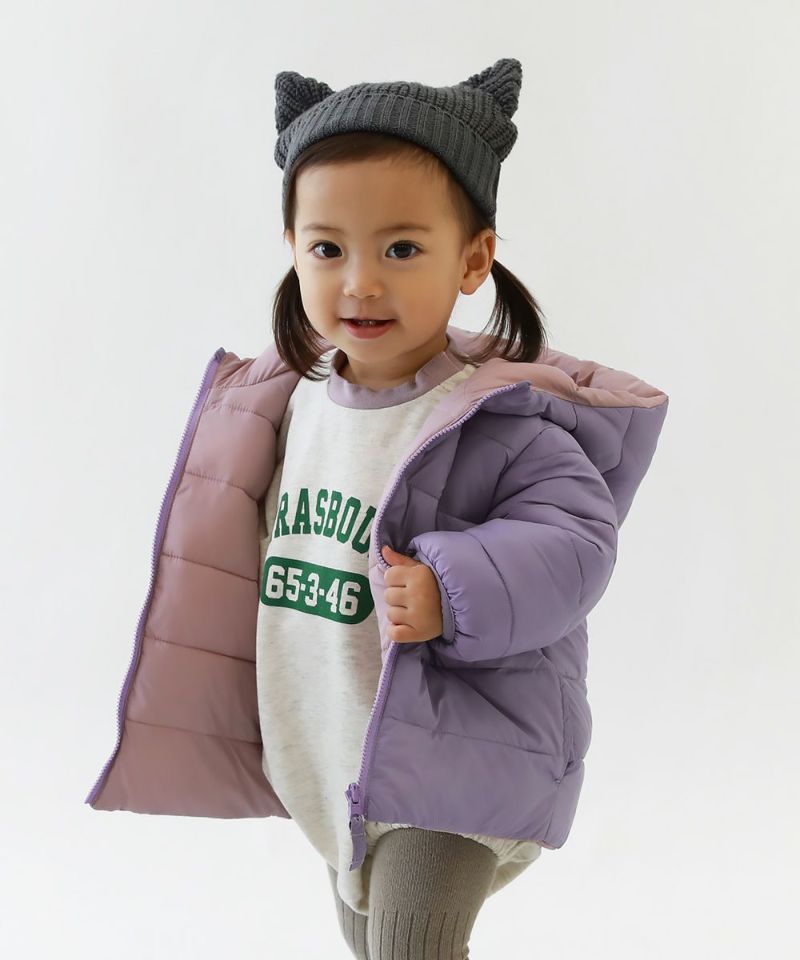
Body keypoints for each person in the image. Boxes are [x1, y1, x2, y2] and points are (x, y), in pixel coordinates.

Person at [84, 58, 669, 960]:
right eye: (329, 249)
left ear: (473, 259)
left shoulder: (498, 415)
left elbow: (577, 542)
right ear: (292, 246)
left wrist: (451, 589)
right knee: (370, 944)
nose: (360, 282)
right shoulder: (283, 404)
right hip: (334, 749)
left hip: (454, 753)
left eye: (400, 249)